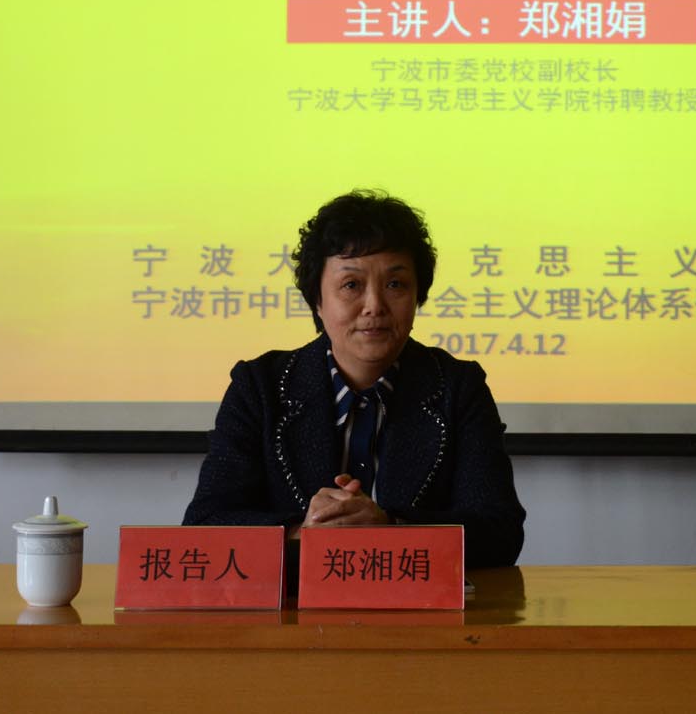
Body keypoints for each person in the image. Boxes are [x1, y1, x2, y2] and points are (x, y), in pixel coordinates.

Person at [184, 190, 525, 567]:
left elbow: (500, 533)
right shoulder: (259, 387)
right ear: (317, 299)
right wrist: (304, 534)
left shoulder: (458, 387)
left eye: (395, 285)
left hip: (413, 600)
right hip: (293, 604)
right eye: (351, 285)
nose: (374, 306)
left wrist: (389, 530)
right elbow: (205, 524)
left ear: (417, 295)